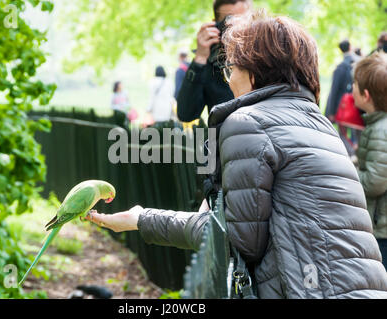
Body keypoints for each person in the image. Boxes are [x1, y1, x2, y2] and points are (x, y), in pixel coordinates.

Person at [85, 11, 387, 298]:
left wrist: (142, 219)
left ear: (254, 72)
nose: (228, 80)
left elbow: (237, 241)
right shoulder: (319, 123)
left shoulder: (248, 122)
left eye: (231, 68)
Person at [176, 0, 252, 122]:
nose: (238, 31)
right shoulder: (209, 62)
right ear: (215, 25)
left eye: (244, 22)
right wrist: (200, 58)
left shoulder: (270, 55)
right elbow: (185, 114)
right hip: (223, 138)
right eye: (230, 23)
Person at [353, 52, 387, 269]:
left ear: (365, 95)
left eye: (354, 84)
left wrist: (349, 174)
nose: (351, 89)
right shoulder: (378, 125)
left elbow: (375, 181)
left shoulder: (381, 131)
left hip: (383, 227)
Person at [325, 39, 355, 122]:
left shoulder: (340, 68)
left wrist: (331, 112)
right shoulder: (357, 63)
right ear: (350, 47)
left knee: (342, 133)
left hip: (342, 106)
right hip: (355, 106)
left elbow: (334, 90)